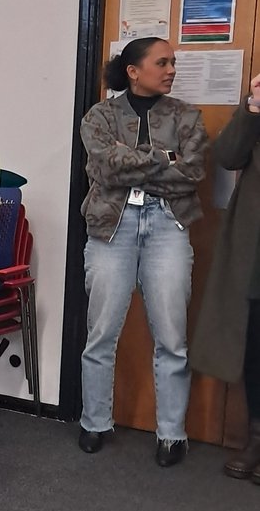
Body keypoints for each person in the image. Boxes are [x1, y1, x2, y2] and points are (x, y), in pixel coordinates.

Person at [78, 36, 208, 466]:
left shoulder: (187, 115)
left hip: (168, 224)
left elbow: (193, 173)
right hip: (111, 226)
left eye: (173, 63)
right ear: (133, 71)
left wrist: (132, 160)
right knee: (101, 332)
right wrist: (165, 158)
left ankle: (172, 434)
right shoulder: (99, 116)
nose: (171, 70)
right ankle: (95, 422)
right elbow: (103, 167)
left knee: (172, 336)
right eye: (162, 62)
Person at [191, 71, 260, 484]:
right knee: (255, 346)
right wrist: (253, 107)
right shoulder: (254, 109)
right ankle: (256, 437)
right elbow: (229, 155)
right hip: (255, 245)